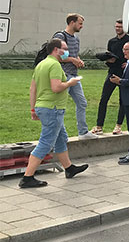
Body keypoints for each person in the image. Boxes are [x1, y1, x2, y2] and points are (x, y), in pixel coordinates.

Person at [21, 39, 89, 188]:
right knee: (46, 142)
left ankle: (69, 168)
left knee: (61, 138)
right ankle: (27, 177)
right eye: (64, 49)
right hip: (53, 108)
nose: (67, 52)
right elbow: (56, 87)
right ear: (56, 50)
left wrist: (33, 109)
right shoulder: (55, 65)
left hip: (44, 107)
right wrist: (71, 83)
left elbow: (33, 89)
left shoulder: (41, 64)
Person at [93, 19, 129, 135]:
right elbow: (108, 56)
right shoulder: (112, 41)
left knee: (123, 101)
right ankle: (99, 126)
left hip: (125, 74)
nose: (118, 28)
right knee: (104, 99)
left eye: (120, 27)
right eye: (116, 27)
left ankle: (118, 126)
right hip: (112, 72)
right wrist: (108, 59)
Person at [53, 13, 97, 139]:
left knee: (82, 102)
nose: (81, 26)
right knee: (59, 105)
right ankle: (58, 134)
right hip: (63, 75)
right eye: (80, 23)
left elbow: (74, 54)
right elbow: (58, 56)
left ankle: (83, 132)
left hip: (74, 75)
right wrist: (73, 60)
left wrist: (78, 60)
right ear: (72, 23)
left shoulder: (76, 39)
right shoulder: (60, 36)